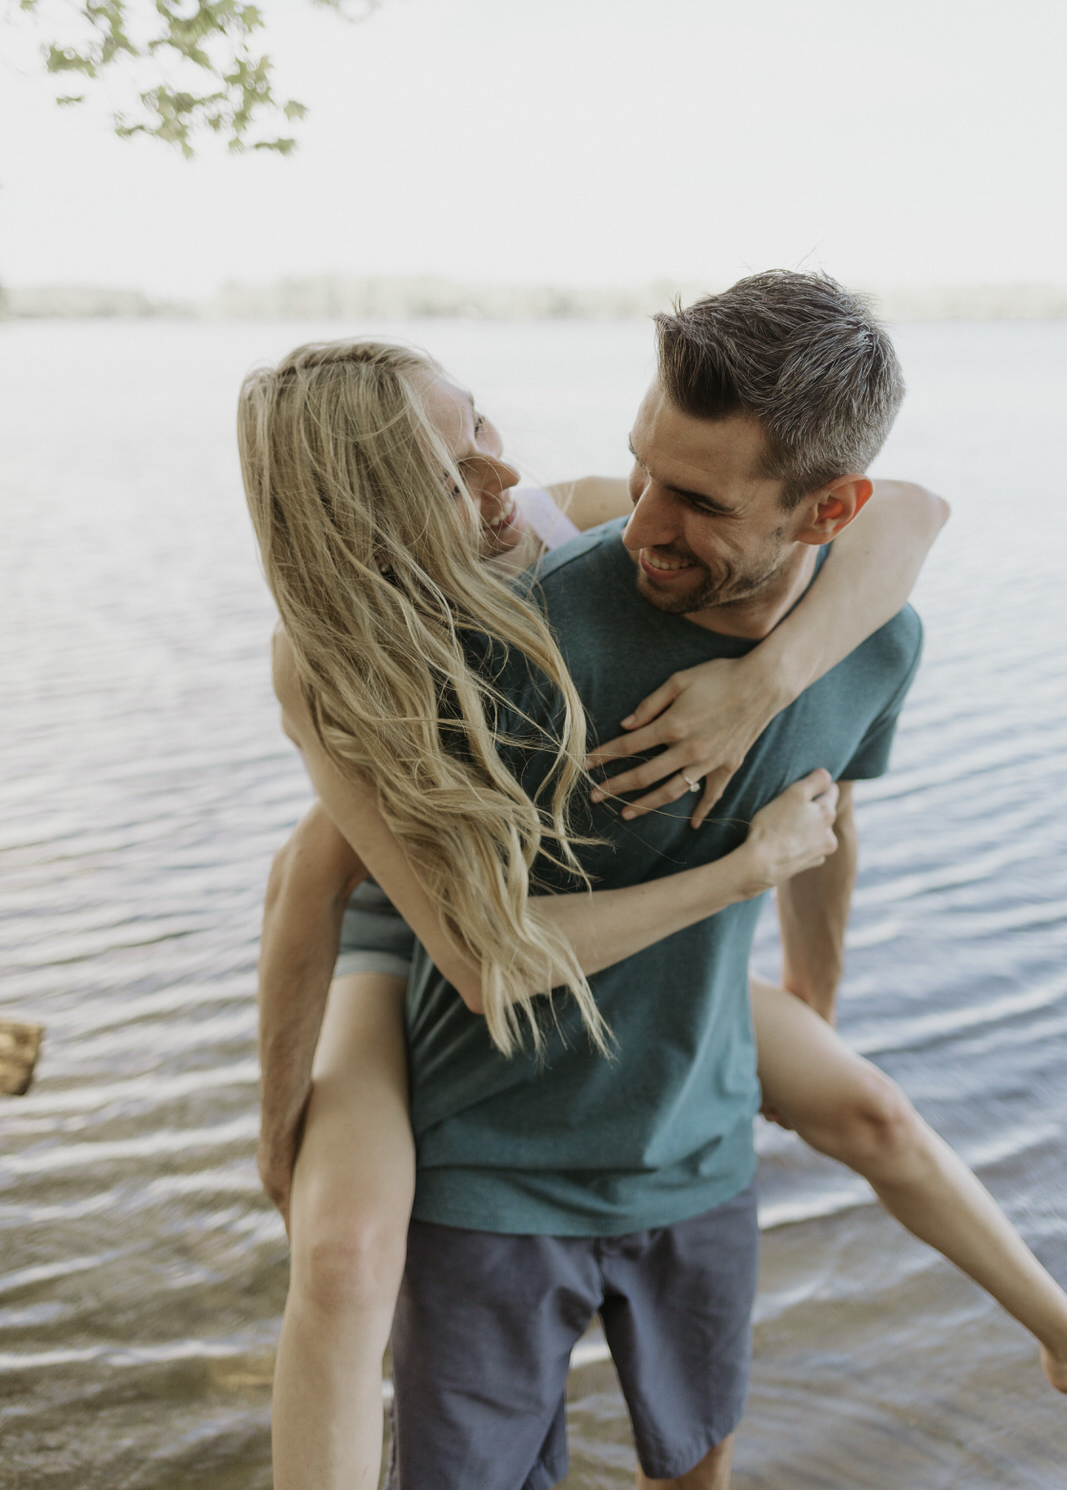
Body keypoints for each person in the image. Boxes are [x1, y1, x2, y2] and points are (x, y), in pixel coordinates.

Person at [240, 274, 1067, 1490]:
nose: (501, 476)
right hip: (407, 929)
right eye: (449, 469)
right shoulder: (356, 666)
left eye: (483, 431)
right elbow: (347, 905)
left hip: (599, 930)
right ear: (365, 518)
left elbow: (907, 509)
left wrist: (767, 683)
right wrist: (279, 1129)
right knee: (347, 1254)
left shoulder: (563, 523)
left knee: (867, 1111)